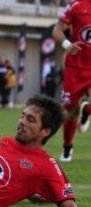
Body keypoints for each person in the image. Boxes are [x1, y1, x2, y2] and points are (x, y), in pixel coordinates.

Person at [52, 0, 91, 162]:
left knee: (81, 108)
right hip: (76, 67)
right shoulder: (77, 6)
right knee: (71, 111)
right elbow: (57, 30)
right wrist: (68, 45)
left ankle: (87, 111)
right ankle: (67, 148)